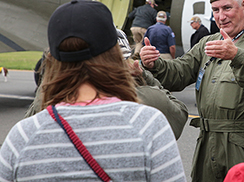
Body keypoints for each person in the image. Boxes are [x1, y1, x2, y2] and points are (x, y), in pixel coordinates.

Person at [0, 0, 186, 181]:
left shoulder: (22, 137)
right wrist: (146, 77)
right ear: (115, 55)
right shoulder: (149, 126)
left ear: (52, 61)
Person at [140, 0, 244, 181]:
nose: (220, 17)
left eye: (226, 8)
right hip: (208, 145)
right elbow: (179, 72)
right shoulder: (209, 42)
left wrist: (237, 56)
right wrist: (154, 65)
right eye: (215, 10)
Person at [26, 28, 188, 140]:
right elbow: (179, 113)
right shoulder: (150, 99)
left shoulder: (49, 105)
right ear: (127, 62)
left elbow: (29, 122)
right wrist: (145, 76)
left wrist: (52, 77)